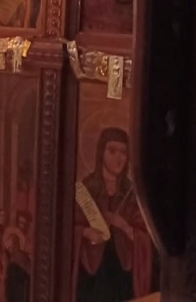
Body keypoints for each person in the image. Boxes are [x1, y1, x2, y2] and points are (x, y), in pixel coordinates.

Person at [73, 127, 153, 301]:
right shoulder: (87, 189)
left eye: (123, 152)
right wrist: (86, 232)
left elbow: (146, 235)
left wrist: (123, 225)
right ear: (101, 152)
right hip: (92, 272)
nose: (119, 158)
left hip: (122, 273)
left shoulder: (131, 193)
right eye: (112, 151)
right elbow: (70, 227)